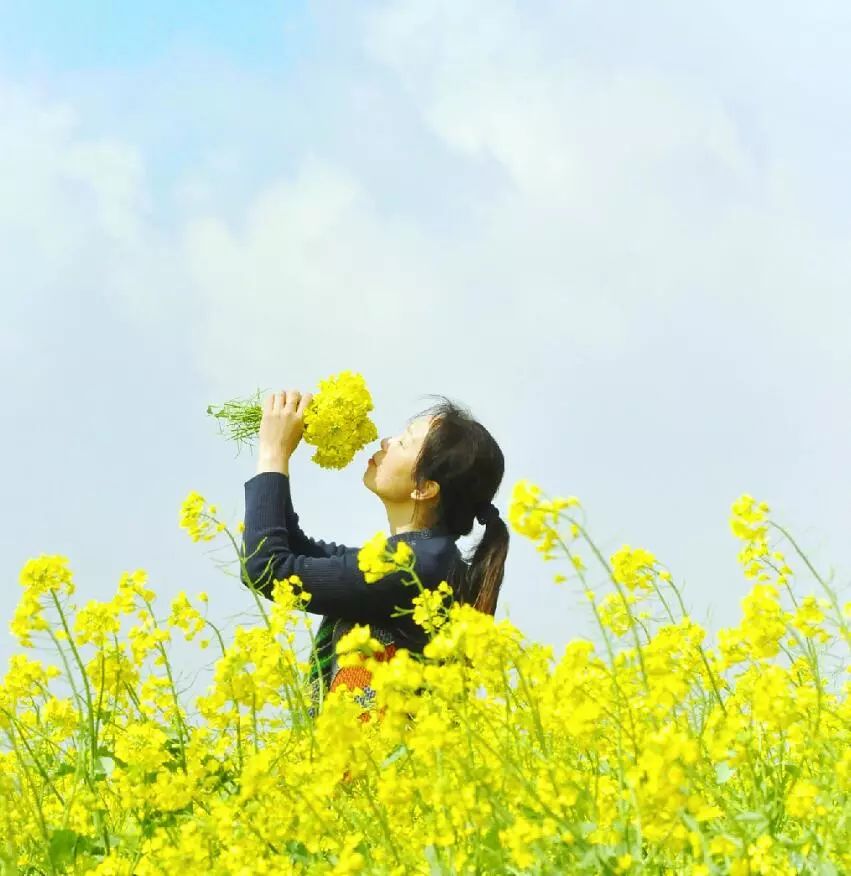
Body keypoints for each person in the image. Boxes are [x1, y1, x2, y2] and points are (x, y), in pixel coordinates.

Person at [239, 388, 509, 722]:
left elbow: (267, 568)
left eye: (404, 442)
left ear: (424, 488)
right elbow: (294, 551)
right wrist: (282, 451)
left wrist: (272, 453)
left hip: (371, 765)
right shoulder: (423, 557)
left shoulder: (415, 565)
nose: (386, 442)